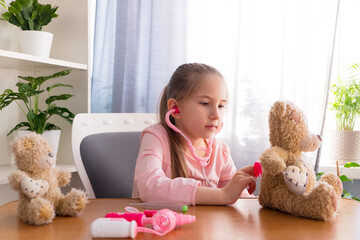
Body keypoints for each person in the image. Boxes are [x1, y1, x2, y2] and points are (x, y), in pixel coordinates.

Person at [132, 63, 257, 205]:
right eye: (204, 103)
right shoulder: (156, 137)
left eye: (221, 105)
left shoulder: (220, 151)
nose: (216, 115)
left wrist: (242, 190)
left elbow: (237, 198)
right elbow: (149, 187)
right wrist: (223, 195)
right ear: (175, 108)